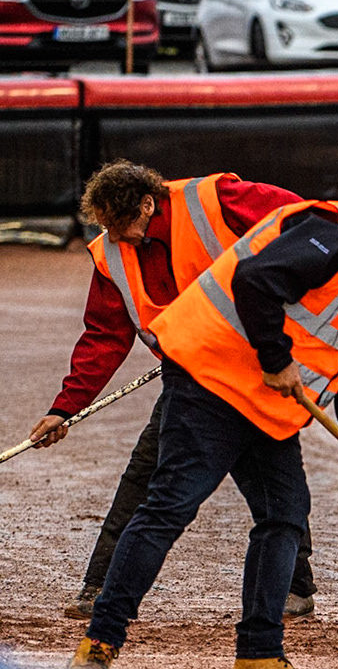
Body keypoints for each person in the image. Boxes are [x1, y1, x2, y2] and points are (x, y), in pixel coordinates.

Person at [66, 180, 338, 669]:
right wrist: (276, 358)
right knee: (168, 508)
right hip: (210, 383)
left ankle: (258, 658)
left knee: (284, 513)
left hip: (262, 404)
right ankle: (97, 646)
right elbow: (257, 281)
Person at [25, 161, 322, 621]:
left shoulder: (214, 199)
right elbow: (104, 337)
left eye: (122, 225)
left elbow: (309, 223)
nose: (117, 238)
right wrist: (65, 409)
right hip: (192, 379)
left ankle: (104, 587)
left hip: (254, 371)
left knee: (255, 489)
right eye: (107, 227)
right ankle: (101, 585)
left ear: (148, 203)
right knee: (185, 481)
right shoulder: (112, 253)